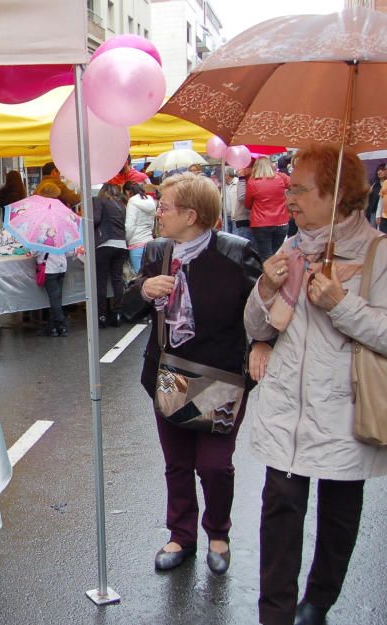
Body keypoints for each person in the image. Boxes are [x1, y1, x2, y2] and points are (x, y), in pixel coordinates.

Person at [243, 144, 387, 625]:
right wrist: (264, 289)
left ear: (337, 193)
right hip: (287, 407)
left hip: (344, 409)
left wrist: (341, 304)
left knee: (339, 516)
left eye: (301, 190)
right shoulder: (291, 247)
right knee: (279, 511)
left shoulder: (377, 253)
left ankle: (318, 601)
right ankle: (275, 615)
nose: (291, 199)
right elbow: (258, 328)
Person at [119, 172, 262, 577]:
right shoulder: (157, 252)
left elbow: (261, 315)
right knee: (177, 460)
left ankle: (218, 533)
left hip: (220, 376)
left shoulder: (237, 254)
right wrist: (144, 291)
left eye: (164, 207)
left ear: (191, 215)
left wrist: (262, 346)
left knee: (215, 464)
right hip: (169, 371)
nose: (158, 213)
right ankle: (181, 535)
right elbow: (127, 308)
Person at [33, 180, 72, 338]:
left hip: (49, 265)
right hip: (62, 263)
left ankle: (61, 325)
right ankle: (53, 326)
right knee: (57, 297)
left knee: (54, 297)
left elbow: (36, 247)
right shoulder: (61, 216)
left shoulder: (41, 218)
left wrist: (33, 254)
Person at [93, 184, 128, 327]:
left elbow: (95, 220)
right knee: (117, 280)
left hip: (105, 243)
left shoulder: (99, 201)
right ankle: (117, 314)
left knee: (101, 281)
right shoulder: (121, 205)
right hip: (121, 244)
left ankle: (101, 315)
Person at [245, 157, 291, 261]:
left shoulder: (252, 183)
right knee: (277, 254)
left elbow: (248, 205)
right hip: (281, 221)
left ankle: (267, 275)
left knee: (265, 256)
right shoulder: (281, 177)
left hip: (260, 223)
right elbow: (295, 186)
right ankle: (276, 274)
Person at [123, 180, 156, 273]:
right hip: (150, 242)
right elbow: (152, 224)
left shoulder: (132, 202)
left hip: (136, 244)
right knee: (150, 274)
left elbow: (130, 226)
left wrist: (127, 240)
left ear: (127, 192)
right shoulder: (150, 201)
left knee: (139, 276)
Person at [366, 163, 385, 228]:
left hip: (384, 213)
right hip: (374, 211)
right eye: (378, 170)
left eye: (382, 170)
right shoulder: (374, 184)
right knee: (373, 231)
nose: (379, 172)